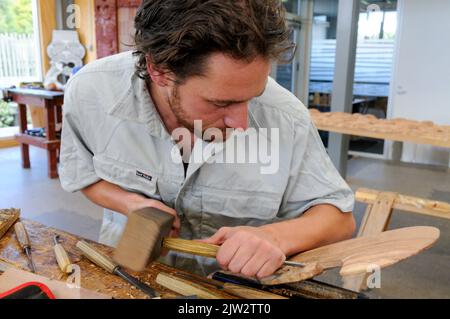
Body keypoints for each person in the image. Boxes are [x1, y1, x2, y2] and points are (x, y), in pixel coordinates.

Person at [60, 0, 355, 278]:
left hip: (234, 291)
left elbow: (340, 220)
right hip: (131, 276)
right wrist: (129, 203)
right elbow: (82, 174)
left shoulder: (285, 117)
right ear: (159, 70)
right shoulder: (90, 93)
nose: (241, 124)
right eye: (221, 103)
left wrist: (275, 237)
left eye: (253, 97)